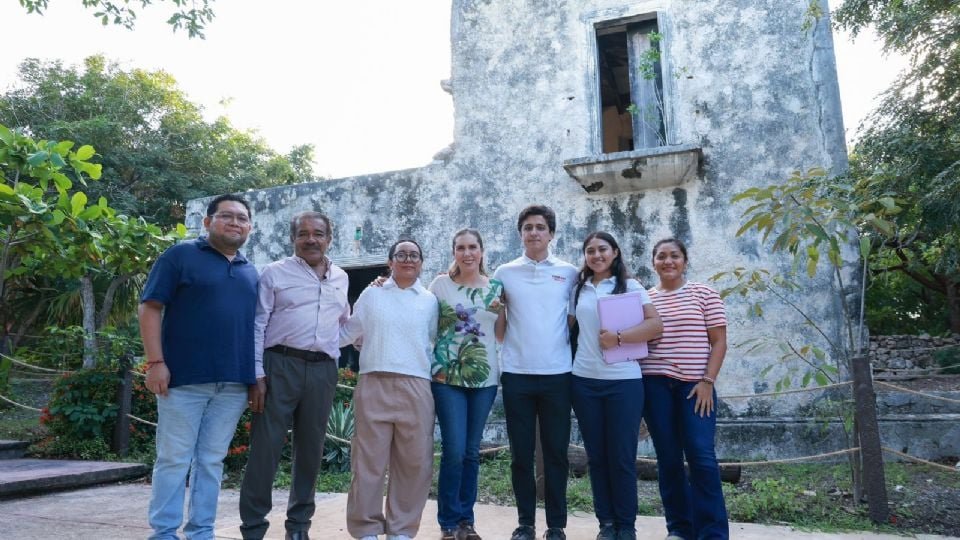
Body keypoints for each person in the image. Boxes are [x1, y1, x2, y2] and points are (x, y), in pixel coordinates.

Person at [140, 194, 258, 540]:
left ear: (249, 227)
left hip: (234, 385)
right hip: (183, 380)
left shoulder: (250, 270)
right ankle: (163, 533)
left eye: (242, 218)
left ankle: (201, 532)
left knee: (211, 461)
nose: (235, 223)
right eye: (227, 216)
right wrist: (156, 363)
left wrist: (254, 378)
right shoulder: (180, 255)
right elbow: (149, 307)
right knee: (174, 459)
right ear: (207, 222)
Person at [239, 211, 350, 540]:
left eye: (318, 233)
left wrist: (329, 346)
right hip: (279, 366)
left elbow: (344, 323)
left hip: (322, 370)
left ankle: (299, 527)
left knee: (311, 449)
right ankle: (254, 528)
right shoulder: (274, 273)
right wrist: (256, 374)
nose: (311, 239)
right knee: (265, 449)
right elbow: (258, 323)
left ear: (329, 238)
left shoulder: (341, 278)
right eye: (303, 234)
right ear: (294, 239)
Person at [340, 239, 439, 540]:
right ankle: (367, 528)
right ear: (390, 262)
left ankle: (402, 530)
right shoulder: (372, 294)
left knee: (414, 463)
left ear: (421, 262)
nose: (408, 259)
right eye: (401, 255)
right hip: (374, 381)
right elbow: (351, 332)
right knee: (368, 461)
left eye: (414, 255)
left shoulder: (430, 301)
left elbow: (433, 343)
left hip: (417, 385)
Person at [493, 205, 578, 540]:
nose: (533, 233)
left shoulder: (569, 272)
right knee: (520, 454)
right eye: (527, 228)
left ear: (551, 233)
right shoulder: (505, 272)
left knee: (557, 453)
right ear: (520, 233)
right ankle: (525, 523)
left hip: (558, 374)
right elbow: (500, 329)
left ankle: (556, 525)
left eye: (540, 227)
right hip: (516, 374)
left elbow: (570, 320)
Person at [570, 232, 662, 540]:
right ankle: (606, 524)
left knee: (621, 457)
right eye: (590, 250)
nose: (596, 255)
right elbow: (564, 327)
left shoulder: (631, 286)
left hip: (623, 383)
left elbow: (655, 326)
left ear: (615, 252)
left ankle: (626, 526)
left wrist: (620, 339)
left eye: (602, 249)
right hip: (583, 381)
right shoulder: (578, 288)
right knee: (597, 457)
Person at [641, 238, 729, 540]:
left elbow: (719, 342)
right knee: (668, 459)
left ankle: (713, 533)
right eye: (661, 256)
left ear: (685, 261)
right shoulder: (645, 298)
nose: (668, 261)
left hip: (695, 387)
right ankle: (680, 529)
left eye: (674, 256)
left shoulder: (704, 293)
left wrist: (707, 381)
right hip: (654, 386)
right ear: (653, 262)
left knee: (701, 456)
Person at [428, 229, 503, 540]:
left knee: (472, 451)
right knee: (454, 449)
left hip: (484, 379)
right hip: (447, 377)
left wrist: (504, 311)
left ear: (482, 251)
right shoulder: (440, 285)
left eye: (473, 247)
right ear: (454, 251)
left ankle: (465, 522)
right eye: (461, 247)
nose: (467, 253)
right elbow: (426, 327)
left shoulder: (495, 287)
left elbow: (500, 334)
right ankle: (448, 521)